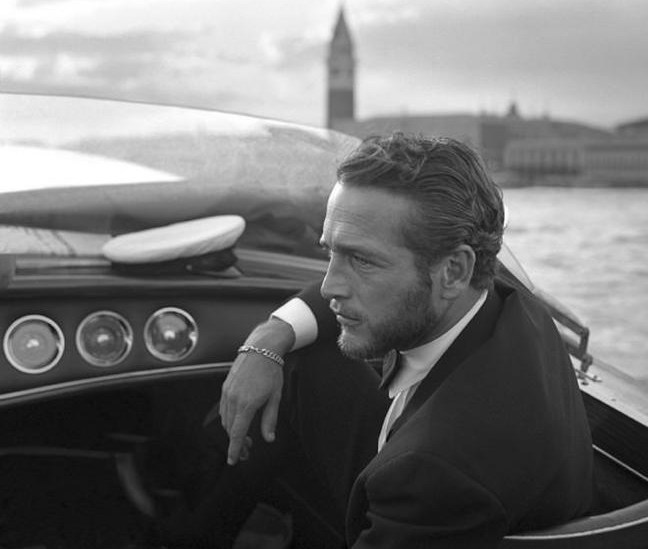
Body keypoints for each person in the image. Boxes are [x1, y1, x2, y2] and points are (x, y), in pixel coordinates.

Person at [213, 133, 593, 548]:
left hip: (414, 499)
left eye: (361, 259)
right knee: (303, 358)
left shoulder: (438, 474)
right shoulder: (509, 300)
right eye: (330, 254)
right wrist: (271, 337)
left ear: (453, 271)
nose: (327, 287)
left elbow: (429, 477)